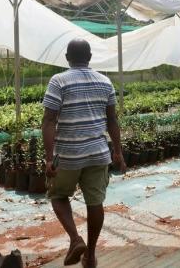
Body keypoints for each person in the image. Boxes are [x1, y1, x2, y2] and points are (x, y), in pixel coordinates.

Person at [42, 38, 126, 267]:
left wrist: (49, 158)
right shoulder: (105, 82)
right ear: (90, 58)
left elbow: (49, 121)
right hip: (99, 154)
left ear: (68, 58)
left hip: (68, 155)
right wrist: (118, 151)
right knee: (95, 202)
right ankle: (90, 256)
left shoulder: (58, 81)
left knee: (58, 196)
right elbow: (112, 120)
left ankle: (75, 239)